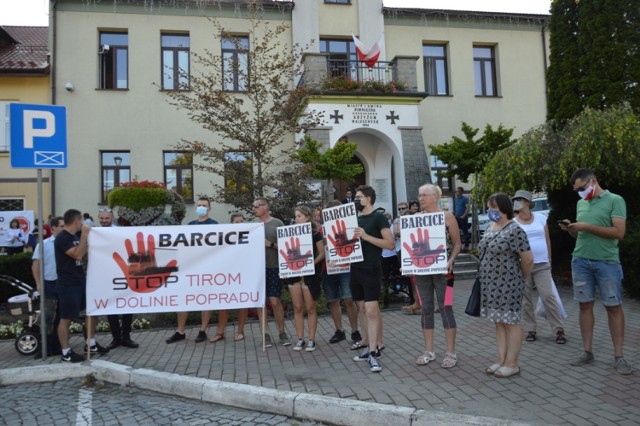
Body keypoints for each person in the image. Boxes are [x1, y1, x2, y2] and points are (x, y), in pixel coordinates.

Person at [559, 169, 631, 375]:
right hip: (580, 260)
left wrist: (587, 226)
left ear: (593, 181)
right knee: (584, 305)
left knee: (613, 306)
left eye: (581, 188)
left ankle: (619, 356)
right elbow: (581, 235)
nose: (580, 193)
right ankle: (587, 352)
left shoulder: (615, 200)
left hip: (607, 262)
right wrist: (572, 229)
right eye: (577, 190)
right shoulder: (581, 203)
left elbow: (619, 232)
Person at [478, 193, 532, 378]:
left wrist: (522, 279)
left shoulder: (515, 230)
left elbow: (527, 259)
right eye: (489, 208)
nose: (490, 212)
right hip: (491, 285)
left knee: (511, 322)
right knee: (499, 322)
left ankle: (512, 363)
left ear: (504, 209)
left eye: (494, 208)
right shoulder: (490, 227)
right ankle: (501, 360)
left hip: (509, 284)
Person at [413, 184, 461, 369]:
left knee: (446, 308)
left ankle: (450, 352)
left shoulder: (447, 216)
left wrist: (451, 260)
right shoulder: (416, 218)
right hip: (422, 273)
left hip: (445, 273)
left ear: (435, 196)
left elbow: (457, 243)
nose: (421, 198)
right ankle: (429, 350)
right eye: (419, 195)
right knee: (426, 308)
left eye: (424, 195)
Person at [349, 185, 395, 373]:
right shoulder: (355, 219)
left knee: (371, 311)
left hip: (371, 269)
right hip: (355, 268)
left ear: (368, 198)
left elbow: (390, 244)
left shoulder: (378, 217)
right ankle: (369, 346)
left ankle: (375, 352)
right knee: (361, 309)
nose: (355, 200)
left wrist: (366, 236)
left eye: (358, 197)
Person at [512, 190, 566, 345]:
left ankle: (558, 329)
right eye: (516, 200)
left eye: (520, 199)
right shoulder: (514, 223)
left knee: (548, 296)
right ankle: (530, 329)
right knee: (525, 299)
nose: (517, 202)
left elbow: (547, 240)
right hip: (524, 266)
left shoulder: (541, 218)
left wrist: (549, 258)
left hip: (542, 264)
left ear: (528, 202)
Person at [56, 209, 109, 362]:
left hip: (80, 279)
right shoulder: (63, 238)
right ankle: (65, 352)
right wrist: (85, 235)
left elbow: (83, 255)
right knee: (66, 318)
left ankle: (90, 343)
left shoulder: (75, 236)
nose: (84, 224)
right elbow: (77, 254)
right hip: (68, 283)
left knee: (91, 311)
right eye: (82, 222)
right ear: (77, 221)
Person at [166, 197, 218, 344]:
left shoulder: (214, 225)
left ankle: (203, 330)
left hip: (207, 268)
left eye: (204, 205)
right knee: (184, 299)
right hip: (190, 268)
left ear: (209, 209)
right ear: (196, 207)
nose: (201, 207)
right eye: (199, 205)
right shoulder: (190, 225)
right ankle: (180, 331)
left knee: (205, 299)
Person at [99, 208, 139, 350]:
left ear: (112, 218)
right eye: (102, 218)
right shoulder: (95, 233)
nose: (104, 221)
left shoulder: (120, 233)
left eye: (107, 218)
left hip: (123, 273)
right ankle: (116, 338)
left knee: (127, 305)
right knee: (111, 307)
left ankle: (126, 337)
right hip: (106, 275)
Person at [253, 197, 291, 347]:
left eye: (257, 206)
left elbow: (287, 245)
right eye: (253, 206)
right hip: (257, 268)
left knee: (275, 301)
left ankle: (282, 333)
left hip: (274, 267)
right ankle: (265, 333)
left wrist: (270, 244)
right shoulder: (253, 226)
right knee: (261, 302)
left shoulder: (277, 223)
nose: (254, 208)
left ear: (266, 207)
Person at [323, 200, 360, 345]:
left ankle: (355, 330)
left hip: (346, 267)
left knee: (349, 299)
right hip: (328, 269)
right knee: (333, 301)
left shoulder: (350, 227)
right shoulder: (322, 230)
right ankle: (339, 331)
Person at [288, 206, 324, 352]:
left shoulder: (315, 234)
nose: (296, 219)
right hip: (294, 275)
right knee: (297, 307)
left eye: (299, 216)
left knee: (310, 307)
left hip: (309, 275)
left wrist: (309, 265)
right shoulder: (289, 234)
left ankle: (311, 339)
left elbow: (321, 254)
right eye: (295, 216)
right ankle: (300, 338)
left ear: (308, 218)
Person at [209, 212, 249, 343]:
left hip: (243, 274)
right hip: (227, 274)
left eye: (242, 222)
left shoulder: (248, 236)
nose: (240, 224)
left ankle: (240, 332)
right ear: (232, 224)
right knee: (224, 303)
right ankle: (220, 332)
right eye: (237, 222)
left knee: (242, 303)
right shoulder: (224, 237)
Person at [31, 216, 65, 358]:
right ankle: (45, 347)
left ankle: (58, 346)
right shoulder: (43, 244)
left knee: (62, 317)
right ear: (53, 228)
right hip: (50, 283)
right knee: (48, 317)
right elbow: (36, 265)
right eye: (62, 226)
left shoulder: (68, 243)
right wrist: (39, 283)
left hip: (64, 284)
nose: (64, 228)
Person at [454, 187, 470, 252]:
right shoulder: (455, 199)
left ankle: (466, 246)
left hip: (463, 218)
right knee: (457, 233)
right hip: (456, 217)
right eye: (456, 191)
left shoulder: (465, 199)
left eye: (458, 191)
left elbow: (467, 208)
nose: (456, 192)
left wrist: (464, 215)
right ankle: (459, 247)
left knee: (465, 232)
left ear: (461, 192)